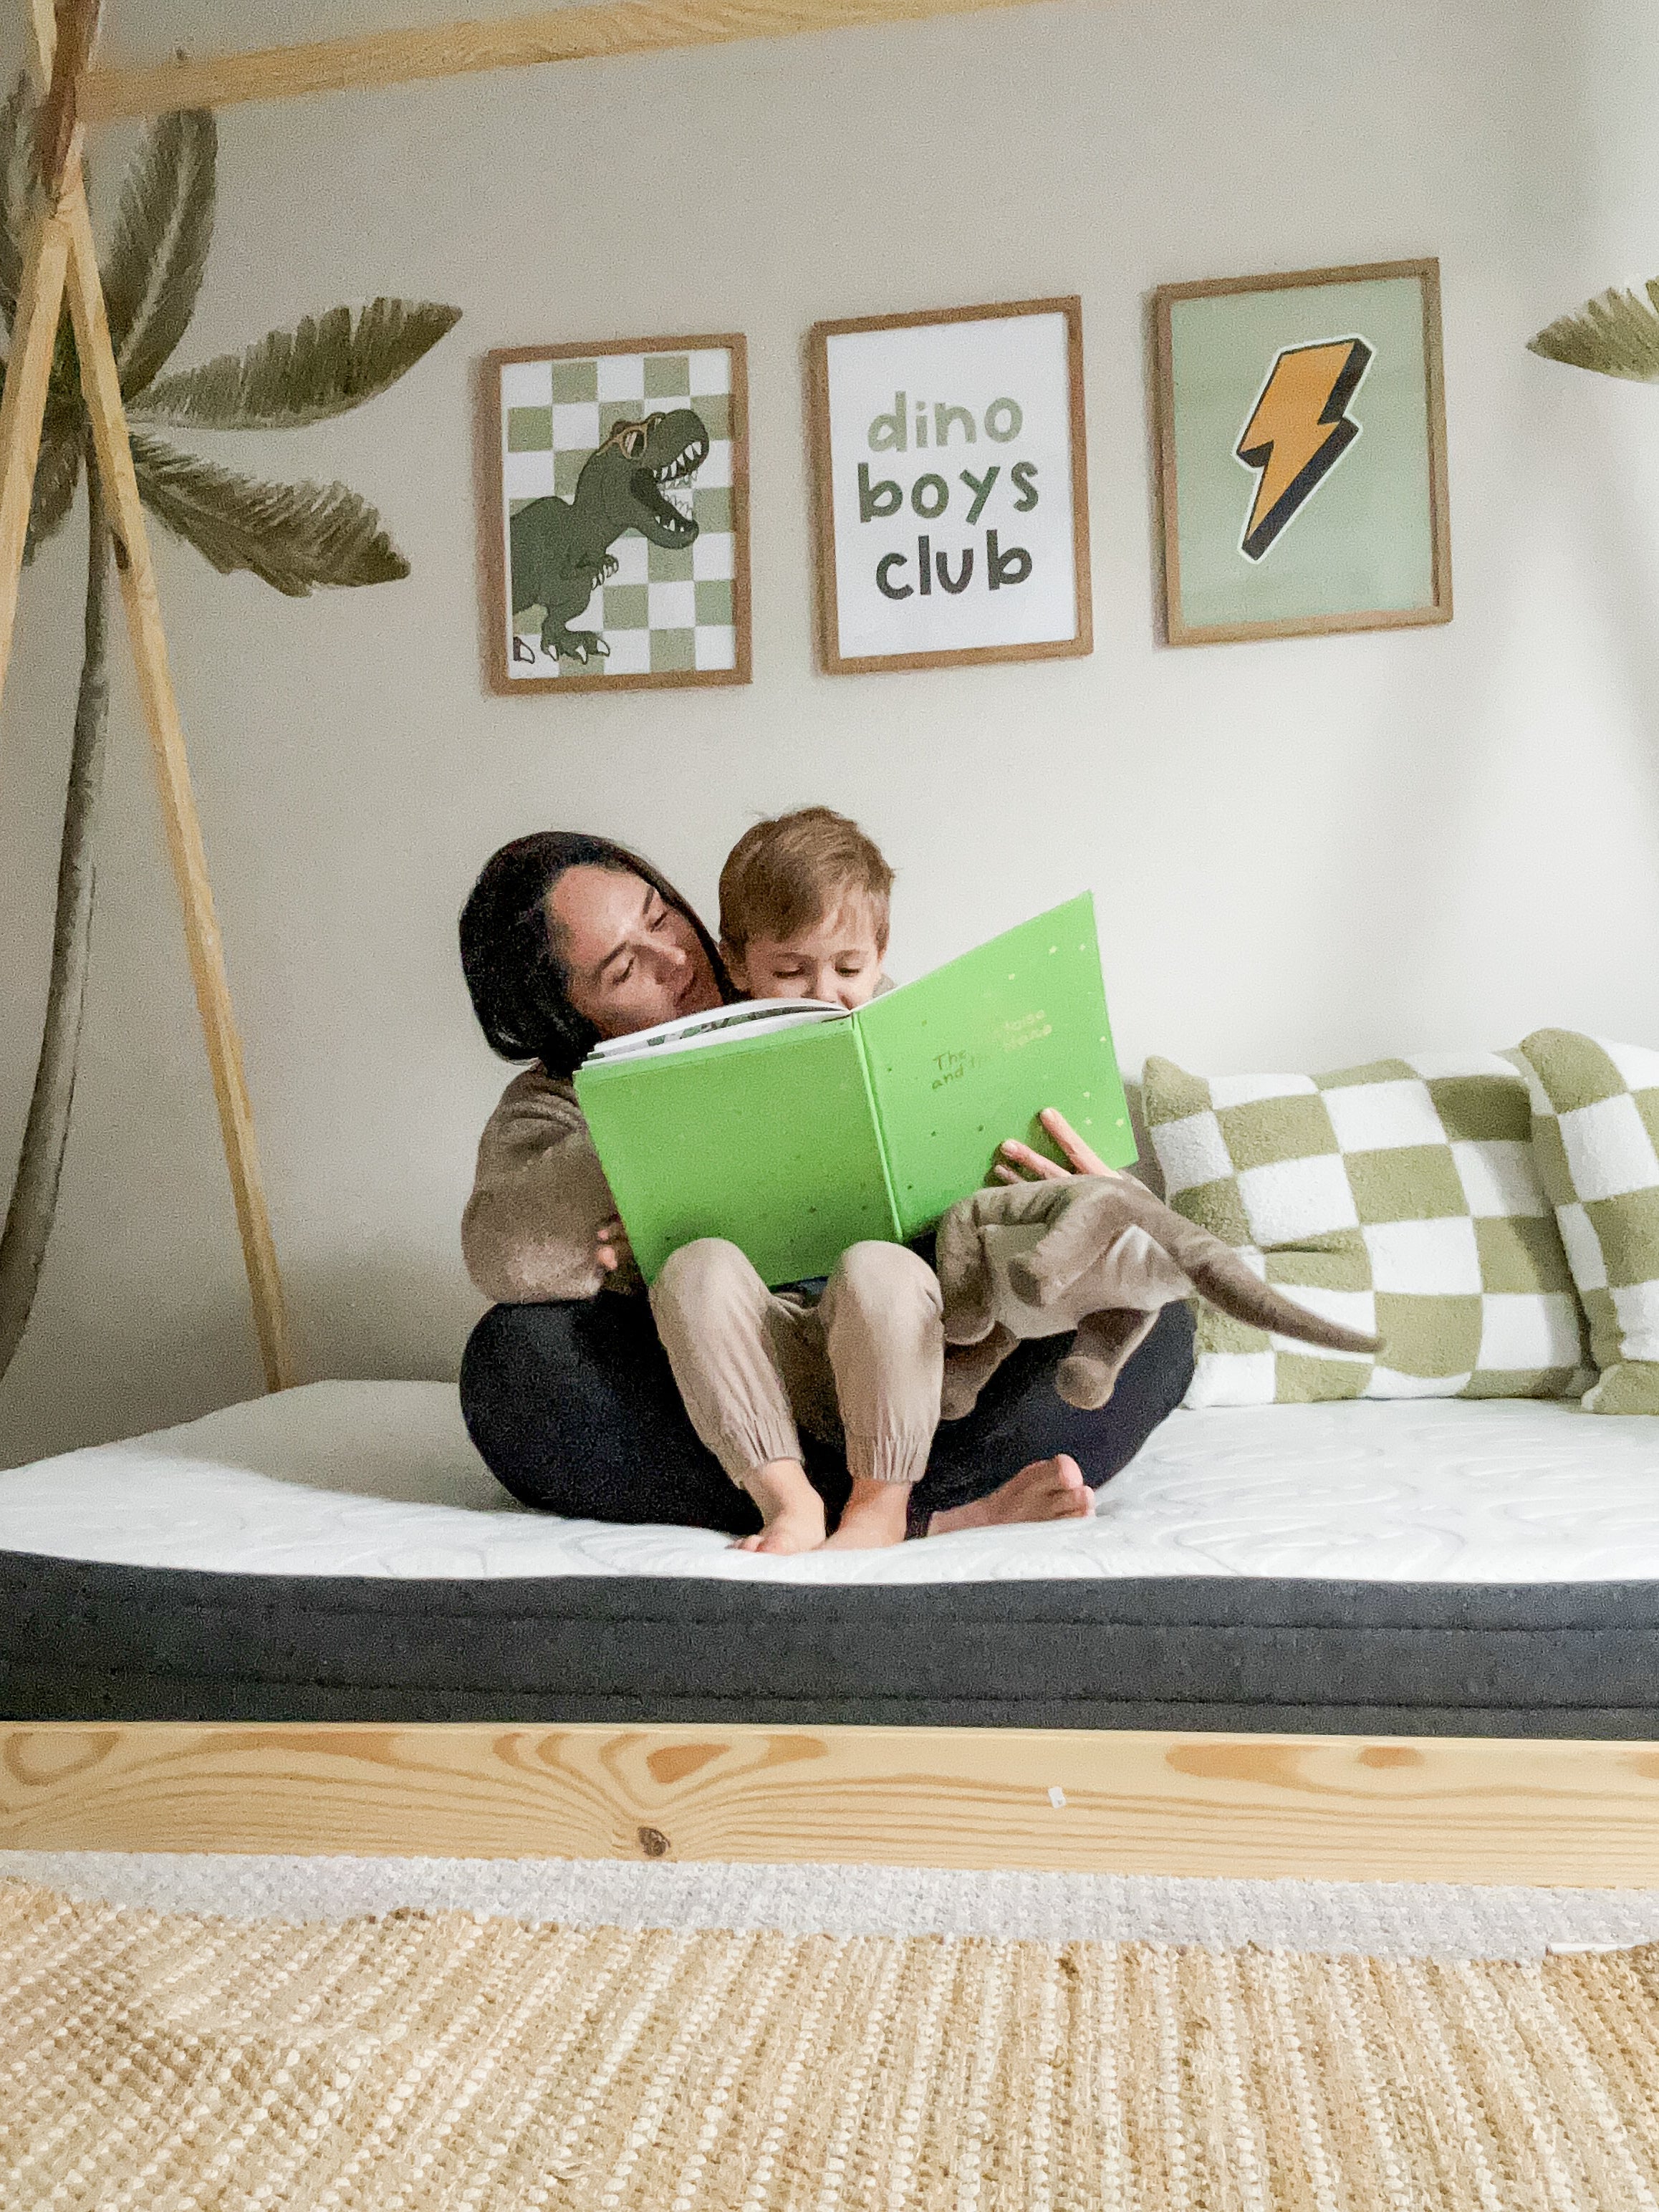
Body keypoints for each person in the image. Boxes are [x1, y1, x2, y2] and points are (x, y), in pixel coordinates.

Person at [457, 827, 1193, 1539]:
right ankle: (919, 1510)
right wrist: (643, 1144)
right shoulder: (555, 1103)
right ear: (566, 1014)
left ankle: (895, 1504)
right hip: (736, 1398)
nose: (675, 959)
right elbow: (502, 1251)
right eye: (624, 969)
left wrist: (1079, 1197)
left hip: (919, 1364)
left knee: (1156, 1318)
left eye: (661, 917)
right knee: (512, 1362)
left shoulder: (846, 1004)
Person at [650, 807, 943, 1552]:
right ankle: (788, 1500)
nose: (823, 992)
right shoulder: (699, 1058)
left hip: (895, 1346)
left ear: (880, 952)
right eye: (790, 970)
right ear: (738, 962)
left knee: (879, 1265)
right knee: (695, 1268)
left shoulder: (913, 1038)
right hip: (767, 1346)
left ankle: (880, 1504)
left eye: (849, 968)